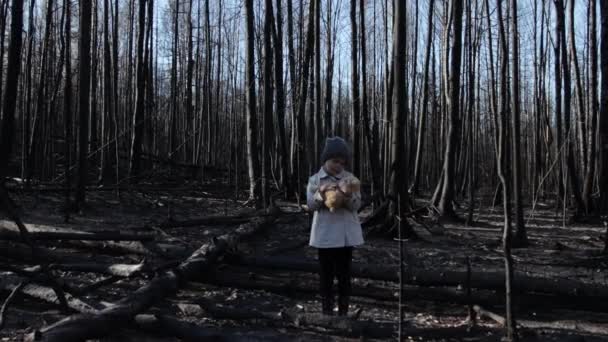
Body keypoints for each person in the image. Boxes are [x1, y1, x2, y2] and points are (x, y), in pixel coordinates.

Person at [306, 136, 363, 316]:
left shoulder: (350, 179)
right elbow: (310, 205)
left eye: (342, 162)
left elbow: (356, 206)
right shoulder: (315, 180)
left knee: (344, 276)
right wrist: (321, 194)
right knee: (326, 276)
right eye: (334, 161)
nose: (338, 165)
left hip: (346, 237)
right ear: (325, 160)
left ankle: (344, 312)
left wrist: (346, 196)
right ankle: (327, 312)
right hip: (324, 236)